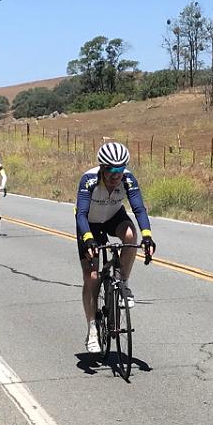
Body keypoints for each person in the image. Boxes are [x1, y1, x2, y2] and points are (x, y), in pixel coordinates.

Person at [75, 141, 156, 354]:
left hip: (113, 218)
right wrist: (88, 239)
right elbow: (81, 213)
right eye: (111, 170)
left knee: (130, 236)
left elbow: (139, 209)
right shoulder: (89, 180)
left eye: (120, 169)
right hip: (89, 224)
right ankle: (92, 329)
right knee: (92, 277)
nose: (116, 175)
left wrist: (147, 236)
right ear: (102, 168)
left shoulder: (128, 179)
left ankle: (123, 284)